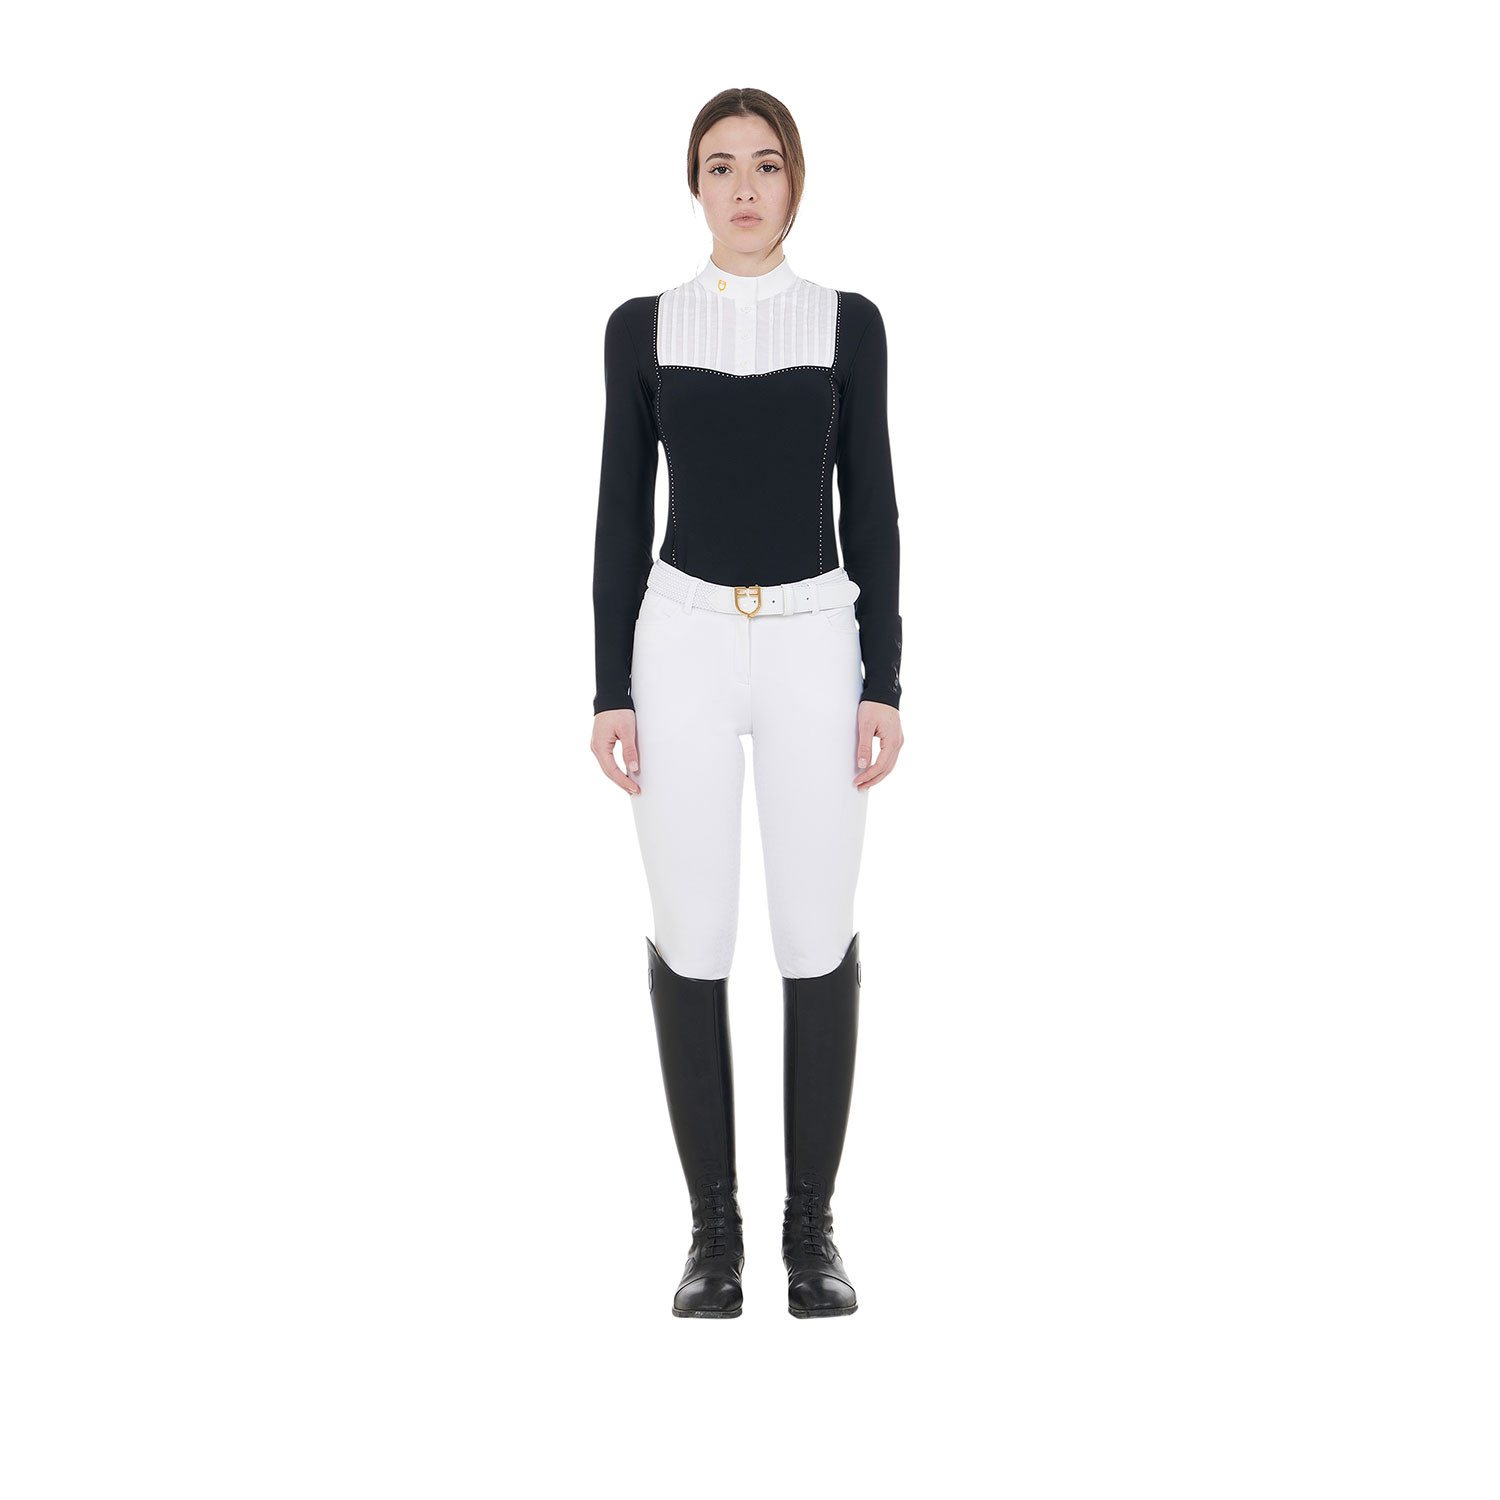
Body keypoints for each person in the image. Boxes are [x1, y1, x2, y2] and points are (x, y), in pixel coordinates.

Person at [588, 88, 904, 1319]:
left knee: (816, 930)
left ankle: (809, 1234)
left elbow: (873, 501)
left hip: (818, 637)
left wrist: (885, 677)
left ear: (796, 181)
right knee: (695, 927)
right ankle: (710, 1237)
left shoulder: (849, 324)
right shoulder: (642, 328)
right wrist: (609, 688)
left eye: (765, 165)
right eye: (720, 167)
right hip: (680, 640)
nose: (744, 188)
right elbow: (621, 509)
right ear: (694, 186)